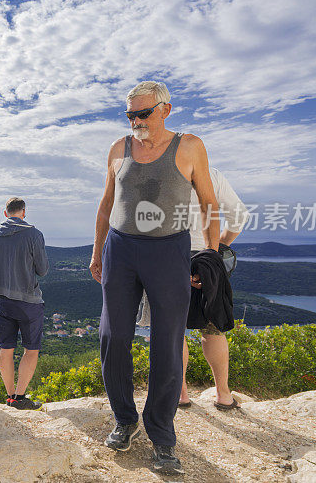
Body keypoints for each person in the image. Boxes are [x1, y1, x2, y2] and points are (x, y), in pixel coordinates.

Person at [89, 81, 220, 475]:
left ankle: (162, 436)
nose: (135, 121)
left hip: (170, 251)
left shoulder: (190, 146)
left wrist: (211, 254)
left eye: (143, 113)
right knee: (113, 337)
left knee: (167, 342)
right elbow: (107, 202)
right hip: (121, 249)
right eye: (130, 115)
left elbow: (209, 202)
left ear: (165, 109)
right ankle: (125, 420)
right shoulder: (119, 148)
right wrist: (97, 252)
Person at [136, 168, 249, 410]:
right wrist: (217, 249)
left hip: (167, 256)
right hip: (207, 255)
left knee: (173, 331)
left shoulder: (155, 175)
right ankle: (224, 395)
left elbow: (147, 226)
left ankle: (181, 394)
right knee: (214, 329)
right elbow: (240, 216)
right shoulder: (213, 175)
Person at [0, 197, 49, 410]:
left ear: (5, 213)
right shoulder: (34, 234)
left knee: (6, 349)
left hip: (2, 300)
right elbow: (43, 269)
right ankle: (21, 398)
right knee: (30, 350)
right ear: (24, 212)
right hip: (29, 301)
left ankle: (10, 395)